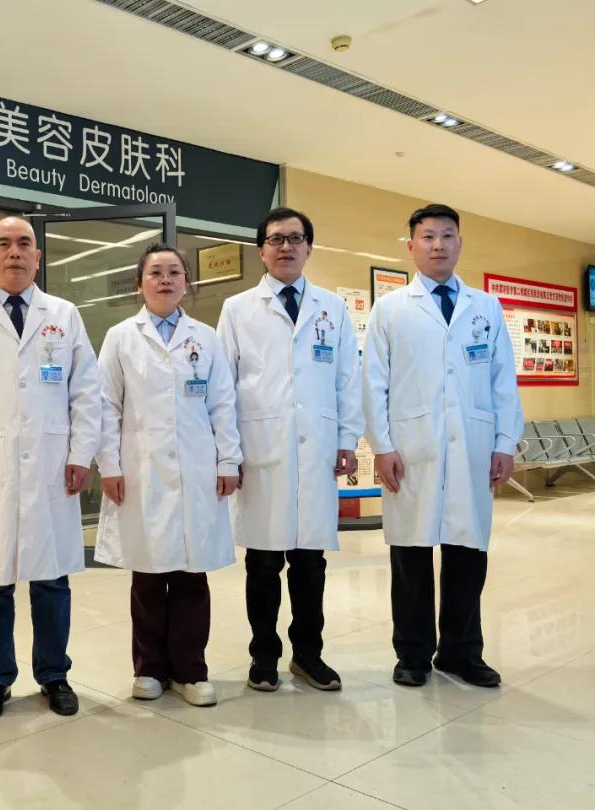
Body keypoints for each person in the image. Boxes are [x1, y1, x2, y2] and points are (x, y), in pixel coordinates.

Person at [0, 215, 101, 722]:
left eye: (24, 244)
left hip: (52, 465)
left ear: (37, 257)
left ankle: (54, 674)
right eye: (3, 245)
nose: (14, 252)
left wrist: (80, 454)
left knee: (51, 581)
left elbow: (85, 391)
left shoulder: (64, 314)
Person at [362, 203, 523, 688]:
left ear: (459, 243)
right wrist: (382, 446)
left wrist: (505, 442)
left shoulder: (486, 307)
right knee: (410, 555)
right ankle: (412, 654)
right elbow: (373, 383)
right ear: (411, 246)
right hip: (410, 448)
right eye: (428, 237)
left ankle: (461, 652)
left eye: (447, 235)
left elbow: (502, 380)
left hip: (473, 446)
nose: (438, 245)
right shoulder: (391, 308)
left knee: (467, 553)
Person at [217, 207, 363, 693]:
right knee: (262, 563)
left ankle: (308, 655)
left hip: (316, 449)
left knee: (310, 563)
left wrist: (347, 439)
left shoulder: (332, 308)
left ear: (309, 248)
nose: (286, 247)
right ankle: (263, 656)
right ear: (261, 250)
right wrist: (228, 452)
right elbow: (223, 386)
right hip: (260, 450)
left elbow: (347, 378)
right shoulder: (238, 309)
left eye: (295, 238)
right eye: (276, 239)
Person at [94, 244, 241, 707]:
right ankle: (149, 669)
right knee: (148, 575)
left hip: (197, 468)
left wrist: (228, 460)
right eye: (155, 272)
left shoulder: (206, 338)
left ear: (186, 283)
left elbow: (223, 403)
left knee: (192, 575)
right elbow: (105, 406)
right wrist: (110, 465)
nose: (165, 280)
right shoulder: (121, 336)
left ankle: (191, 671)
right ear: (140, 283)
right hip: (141, 470)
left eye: (174, 272)